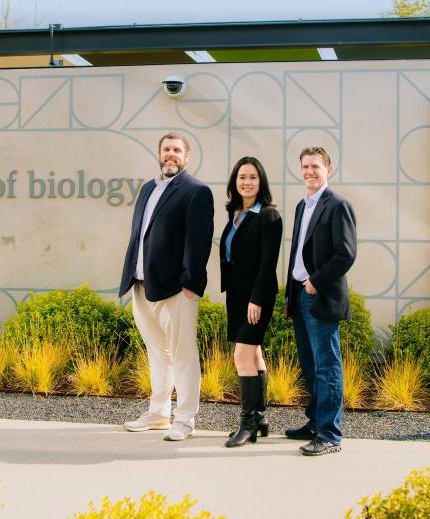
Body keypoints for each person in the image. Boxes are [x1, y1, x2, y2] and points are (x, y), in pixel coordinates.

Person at [119, 131, 214, 442]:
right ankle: (158, 414)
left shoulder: (196, 191)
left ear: (186, 156)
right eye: (166, 149)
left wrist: (191, 285)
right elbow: (140, 235)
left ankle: (185, 420)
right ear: (159, 154)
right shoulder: (148, 188)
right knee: (157, 354)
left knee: (183, 355)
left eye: (176, 150)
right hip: (141, 286)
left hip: (176, 290)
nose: (170, 154)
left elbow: (198, 243)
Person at [284, 146, 357, 456]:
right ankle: (315, 422)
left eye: (315, 166)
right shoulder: (302, 206)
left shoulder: (338, 205)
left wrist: (315, 282)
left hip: (321, 295)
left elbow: (346, 254)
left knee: (327, 366)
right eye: (305, 166)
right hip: (300, 294)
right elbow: (297, 253)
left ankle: (330, 435)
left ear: (328, 169)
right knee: (310, 365)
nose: (309, 171)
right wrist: (291, 293)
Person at [219, 156, 283, 448]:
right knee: (254, 353)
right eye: (242, 177)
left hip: (257, 296)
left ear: (261, 182)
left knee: (241, 355)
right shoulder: (235, 213)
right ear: (235, 181)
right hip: (237, 296)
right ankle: (259, 418)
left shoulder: (269, 215)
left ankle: (247, 424)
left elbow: (269, 262)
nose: (247, 182)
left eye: (253, 177)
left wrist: (256, 299)